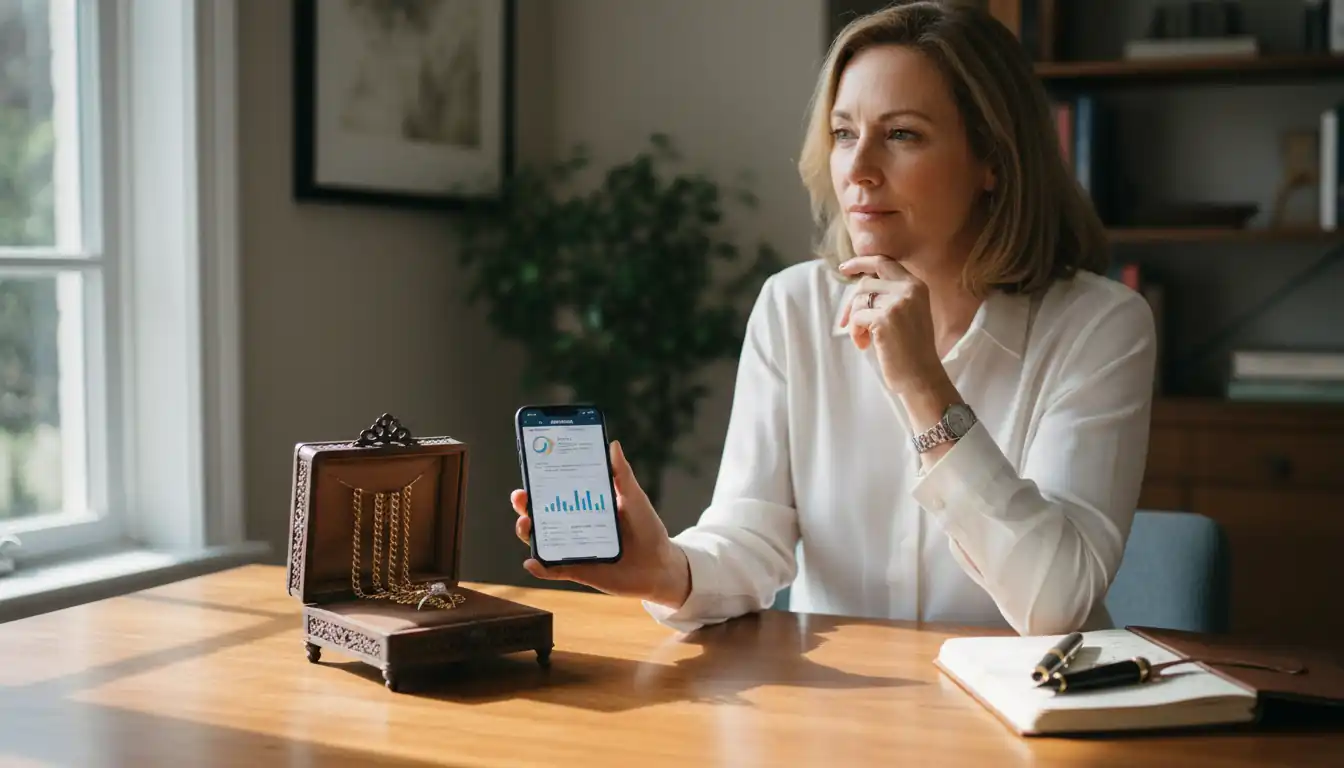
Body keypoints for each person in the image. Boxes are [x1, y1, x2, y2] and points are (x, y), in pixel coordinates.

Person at [508, 0, 1156, 637]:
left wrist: (923, 387)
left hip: (1029, 720)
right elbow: (749, 534)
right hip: (842, 714)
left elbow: (1057, 605)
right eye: (845, 133)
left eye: (902, 134)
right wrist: (665, 568)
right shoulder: (794, 307)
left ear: (992, 159)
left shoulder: (1102, 326)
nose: (860, 168)